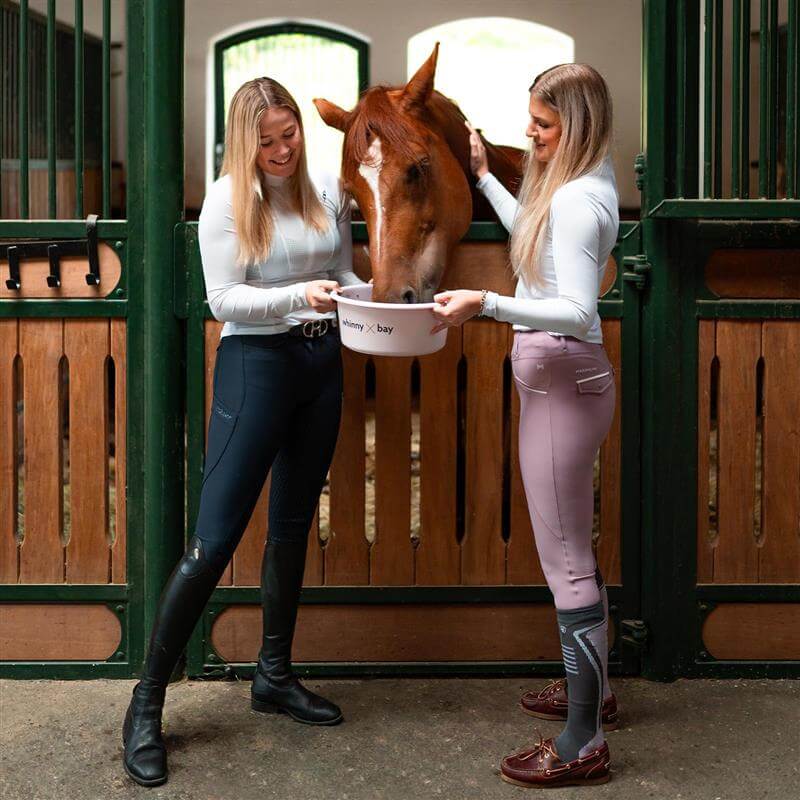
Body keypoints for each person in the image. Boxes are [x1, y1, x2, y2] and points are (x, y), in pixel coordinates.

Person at [122, 77, 363, 787]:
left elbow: (342, 269)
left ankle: (274, 675)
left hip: (321, 363)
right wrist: (299, 295)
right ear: (243, 142)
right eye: (266, 141)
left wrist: (369, 298)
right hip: (256, 367)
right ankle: (145, 704)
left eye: (290, 134)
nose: (283, 150)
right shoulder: (228, 201)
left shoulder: (325, 188)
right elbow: (223, 300)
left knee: (292, 527)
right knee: (215, 539)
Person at [431, 63, 620, 788]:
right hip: (567, 383)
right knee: (575, 548)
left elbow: (576, 309)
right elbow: (540, 247)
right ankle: (595, 695)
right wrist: (485, 179)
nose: (530, 133)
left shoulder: (575, 202)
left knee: (565, 560)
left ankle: (583, 740)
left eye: (543, 124)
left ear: (576, 125)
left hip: (562, 383)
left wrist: (486, 302)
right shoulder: (584, 184)